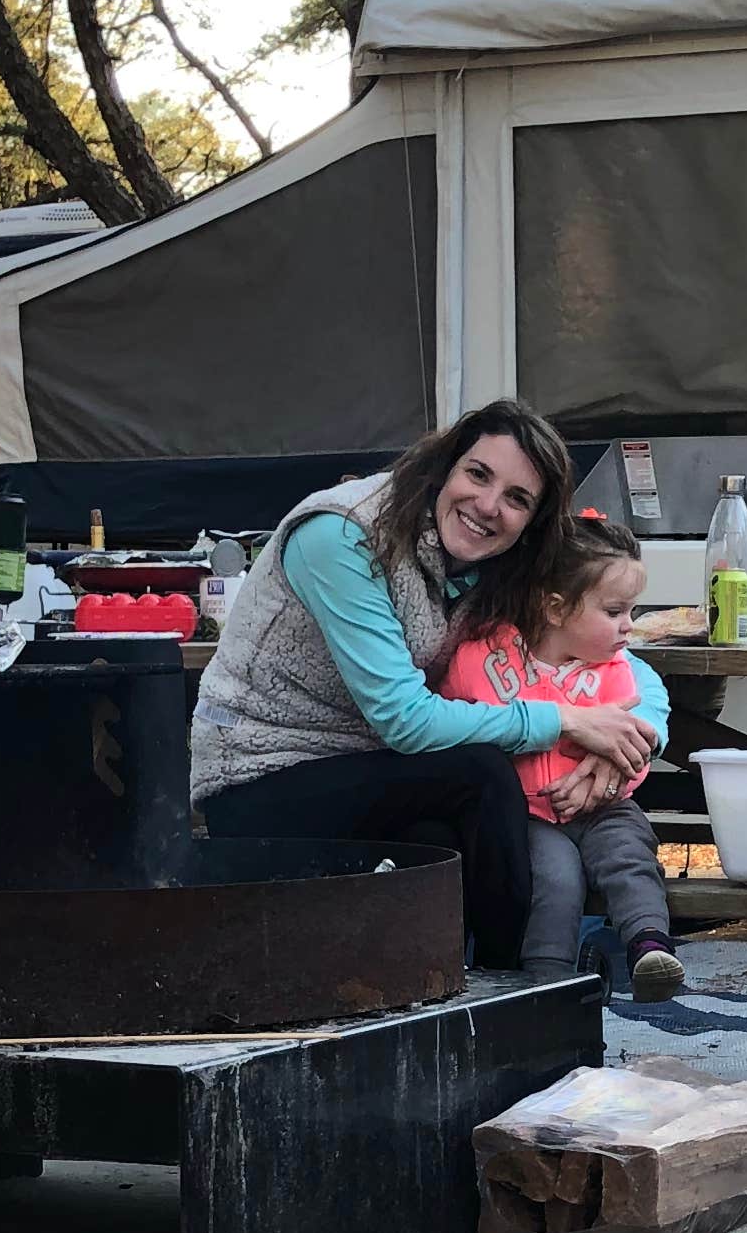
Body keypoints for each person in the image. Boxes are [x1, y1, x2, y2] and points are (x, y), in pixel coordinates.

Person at [190, 401, 658, 967]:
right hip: (262, 775)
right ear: (444, 464)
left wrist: (630, 740)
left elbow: (620, 666)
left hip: (375, 770)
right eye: (478, 474)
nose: (487, 506)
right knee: (481, 774)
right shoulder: (342, 536)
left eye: (517, 498)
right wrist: (567, 720)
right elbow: (404, 720)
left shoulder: (493, 562)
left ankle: (466, 984)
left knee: (457, 835)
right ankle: (507, 981)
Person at [442, 520, 685, 998]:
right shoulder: (484, 661)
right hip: (529, 811)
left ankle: (650, 947)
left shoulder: (618, 671)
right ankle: (546, 979)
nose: (629, 625)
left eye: (631, 610)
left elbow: (643, 731)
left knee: (629, 856)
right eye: (615, 611)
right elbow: (452, 719)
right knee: (552, 878)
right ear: (554, 608)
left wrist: (617, 772)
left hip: (606, 806)